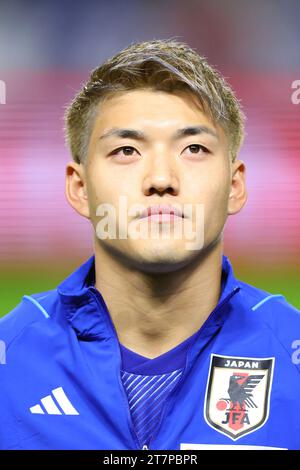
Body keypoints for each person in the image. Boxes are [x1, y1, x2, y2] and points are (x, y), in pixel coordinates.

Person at [0, 39, 299, 451]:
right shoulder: (7, 363)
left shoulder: (293, 358)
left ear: (235, 186)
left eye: (193, 148)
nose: (161, 178)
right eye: (127, 150)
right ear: (80, 187)